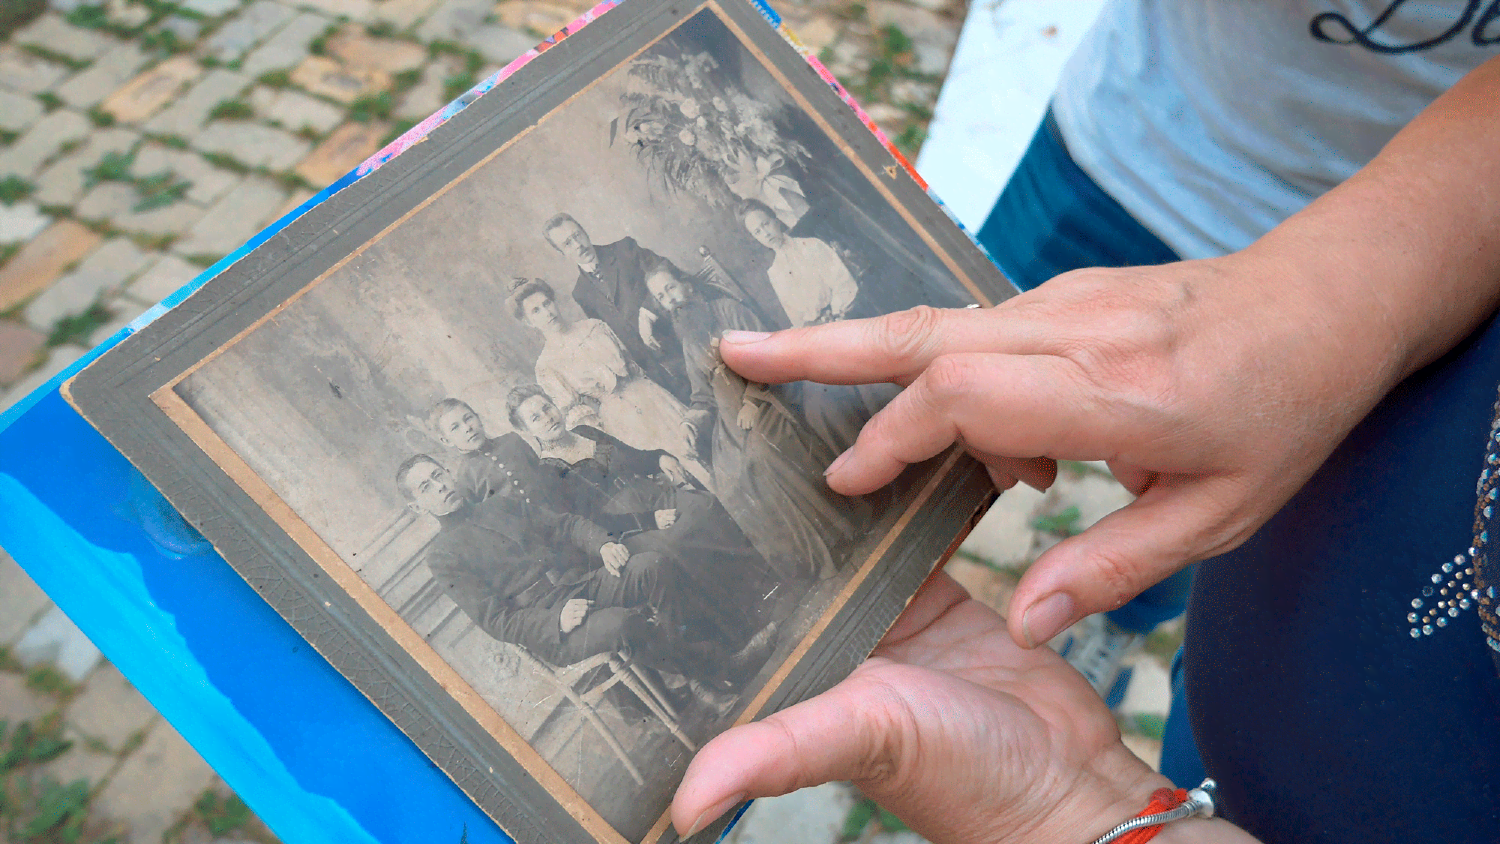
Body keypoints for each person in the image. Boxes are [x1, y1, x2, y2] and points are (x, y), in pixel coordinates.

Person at [666, 8, 1500, 844]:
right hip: (1161, 156)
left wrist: (1085, 809)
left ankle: (1122, 621)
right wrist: (1341, 296)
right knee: (956, 391)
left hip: (1205, 776)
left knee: (1166, 524)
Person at [396, 454, 762, 696]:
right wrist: (555, 620)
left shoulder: (497, 505)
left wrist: (602, 544)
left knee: (652, 566)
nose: (439, 486)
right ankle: (718, 670)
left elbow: (566, 524)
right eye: (426, 487)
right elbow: (496, 620)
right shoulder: (442, 556)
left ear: (447, 473)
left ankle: (700, 676)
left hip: (577, 584)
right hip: (553, 625)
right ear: (417, 506)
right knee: (621, 624)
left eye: (437, 475)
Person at [505, 383, 788, 646]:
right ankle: (743, 627)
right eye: (536, 418)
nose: (547, 417)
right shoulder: (547, 474)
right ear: (527, 431)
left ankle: (770, 590)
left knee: (703, 507)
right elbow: (589, 522)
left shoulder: (586, 432)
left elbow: (633, 456)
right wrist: (649, 520)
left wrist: (660, 457)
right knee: (675, 543)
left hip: (652, 496)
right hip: (625, 529)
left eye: (546, 407)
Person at [646, 263, 866, 582]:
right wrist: (689, 424)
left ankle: (834, 539)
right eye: (662, 297)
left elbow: (769, 354)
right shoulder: (689, 341)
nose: (670, 299)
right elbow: (701, 396)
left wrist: (752, 401)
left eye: (670, 288)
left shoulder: (727, 310)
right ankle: (804, 562)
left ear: (687, 285)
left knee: (763, 454)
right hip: (730, 422)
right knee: (729, 482)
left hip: (769, 393)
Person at [508, 277, 715, 489]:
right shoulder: (547, 366)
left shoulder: (595, 327)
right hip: (621, 422)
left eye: (547, 303)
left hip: (651, 397)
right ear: (528, 322)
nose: (547, 312)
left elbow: (634, 365)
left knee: (701, 450)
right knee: (675, 473)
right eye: (536, 311)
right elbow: (579, 418)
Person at [543, 213, 690, 398]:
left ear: (585, 231)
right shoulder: (581, 293)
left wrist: (648, 312)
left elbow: (667, 271)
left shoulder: (624, 249)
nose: (577, 245)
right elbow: (606, 334)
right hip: (652, 372)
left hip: (681, 340)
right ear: (562, 253)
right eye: (567, 243)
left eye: (577, 235)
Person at [427, 397, 541, 503]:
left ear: (478, 418)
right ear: (446, 441)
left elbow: (543, 475)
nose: (467, 428)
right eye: (455, 427)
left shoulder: (512, 440)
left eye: (468, 418)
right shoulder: (465, 479)